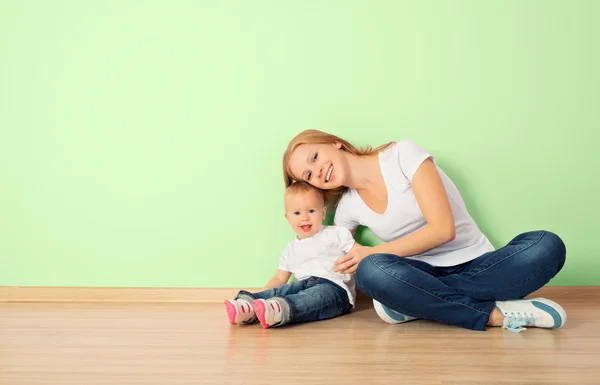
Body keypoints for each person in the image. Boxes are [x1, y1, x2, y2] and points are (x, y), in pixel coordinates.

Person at [282, 129, 567, 332]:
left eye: (315, 157)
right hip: (419, 274)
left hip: (480, 265)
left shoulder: (402, 155)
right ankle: (493, 314)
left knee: (546, 245)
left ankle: (417, 303)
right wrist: (295, 285)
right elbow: (338, 262)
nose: (317, 171)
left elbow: (443, 230)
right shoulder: (346, 209)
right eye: (308, 175)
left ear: (335, 143)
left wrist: (374, 254)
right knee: (371, 272)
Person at [225, 181, 357, 329]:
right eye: (297, 213)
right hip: (303, 285)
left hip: (335, 289)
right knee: (286, 290)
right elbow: (280, 278)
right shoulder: (290, 249)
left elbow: (357, 253)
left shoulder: (336, 233)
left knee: (312, 298)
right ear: (288, 218)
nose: (305, 217)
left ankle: (280, 309)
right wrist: (264, 294)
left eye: (311, 211)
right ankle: (250, 306)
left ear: (323, 213)